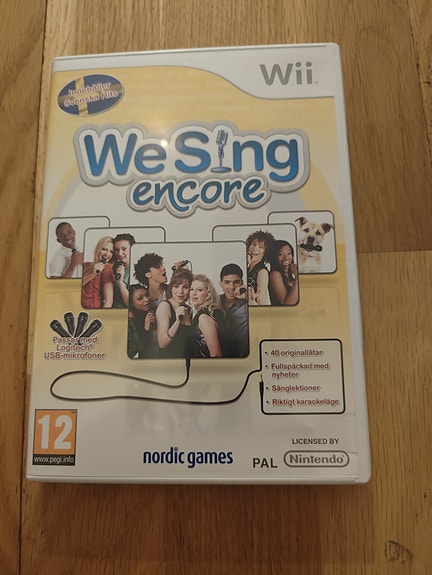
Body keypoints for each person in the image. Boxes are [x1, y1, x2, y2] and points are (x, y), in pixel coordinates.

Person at [155, 268, 194, 358]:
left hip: (187, 361)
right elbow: (162, 344)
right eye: (176, 286)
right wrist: (177, 321)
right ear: (171, 288)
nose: (180, 291)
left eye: (185, 287)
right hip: (169, 361)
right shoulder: (165, 306)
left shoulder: (188, 309)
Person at [218, 263, 249, 357]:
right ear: (221, 283)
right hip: (216, 358)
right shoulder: (213, 302)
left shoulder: (247, 306)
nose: (232, 287)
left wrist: (247, 296)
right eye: (227, 282)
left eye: (236, 282)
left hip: (241, 359)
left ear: (242, 283)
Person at [190, 274, 224, 358]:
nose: (194, 293)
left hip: (207, 365)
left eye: (199, 290)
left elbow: (216, 354)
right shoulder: (206, 312)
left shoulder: (204, 317)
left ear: (208, 293)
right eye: (191, 289)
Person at [81, 236, 115, 308]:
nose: (107, 254)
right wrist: (93, 274)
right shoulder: (86, 265)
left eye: (111, 252)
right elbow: (74, 287)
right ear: (98, 249)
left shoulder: (107, 269)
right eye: (104, 249)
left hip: (93, 310)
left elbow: (109, 302)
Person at [127, 284, 157, 358]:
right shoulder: (130, 320)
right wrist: (145, 329)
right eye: (140, 298)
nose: (146, 299)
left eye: (147, 295)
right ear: (131, 303)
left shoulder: (150, 312)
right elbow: (133, 351)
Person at [246, 229, 274, 306]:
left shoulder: (262, 273)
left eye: (261, 246)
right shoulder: (246, 267)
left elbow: (261, 306)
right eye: (253, 244)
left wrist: (251, 300)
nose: (255, 248)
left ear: (266, 252)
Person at [268, 240, 299, 306]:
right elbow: (287, 304)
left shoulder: (290, 275)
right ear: (274, 257)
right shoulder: (275, 274)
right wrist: (297, 278)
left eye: (289, 253)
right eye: (280, 254)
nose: (286, 258)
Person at [112, 233, 136, 308]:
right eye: (117, 250)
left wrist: (120, 282)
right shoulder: (115, 267)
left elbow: (131, 304)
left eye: (124, 249)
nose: (119, 253)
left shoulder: (136, 271)